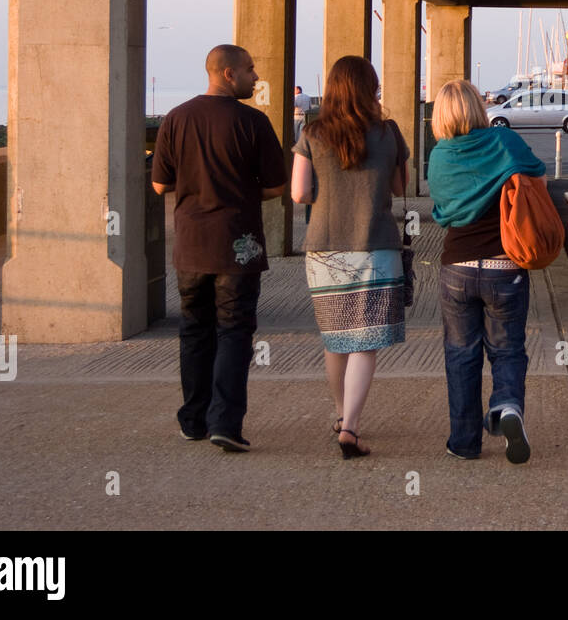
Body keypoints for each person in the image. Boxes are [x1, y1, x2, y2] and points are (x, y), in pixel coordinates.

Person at [151, 45, 286, 452]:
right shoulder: (253, 122)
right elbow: (278, 187)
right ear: (228, 74)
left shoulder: (176, 118)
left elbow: (160, 184)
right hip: (238, 245)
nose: (256, 76)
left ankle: (192, 419)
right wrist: (241, 193)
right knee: (234, 331)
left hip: (191, 245)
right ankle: (225, 422)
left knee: (194, 330)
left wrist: (195, 185)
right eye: (249, 69)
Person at [289, 56, 407, 459]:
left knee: (336, 339)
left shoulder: (312, 132)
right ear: (370, 87)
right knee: (366, 340)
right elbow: (398, 185)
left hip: (323, 248)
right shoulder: (388, 132)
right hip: (375, 245)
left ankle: (342, 417)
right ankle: (351, 428)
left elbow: (299, 194)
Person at [427, 80, 545, 463]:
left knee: (461, 353)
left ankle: (463, 442)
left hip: (457, 267)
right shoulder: (503, 141)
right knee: (507, 348)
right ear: (478, 108)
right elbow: (539, 180)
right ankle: (506, 407)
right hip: (506, 265)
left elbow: (443, 211)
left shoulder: (440, 156)